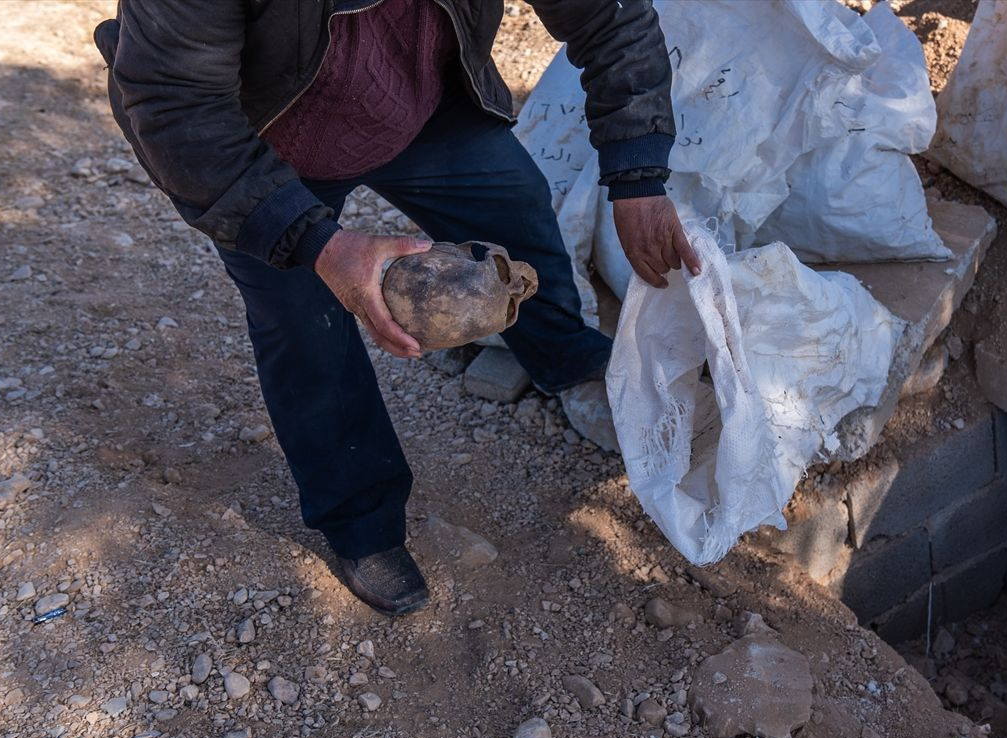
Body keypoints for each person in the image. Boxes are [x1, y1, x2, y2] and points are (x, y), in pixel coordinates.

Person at [93, 0, 698, 616]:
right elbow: (173, 104)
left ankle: (561, 357)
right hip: (261, 139)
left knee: (515, 210)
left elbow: (611, 18)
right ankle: (362, 525)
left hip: (416, 105)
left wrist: (638, 178)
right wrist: (318, 245)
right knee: (304, 327)